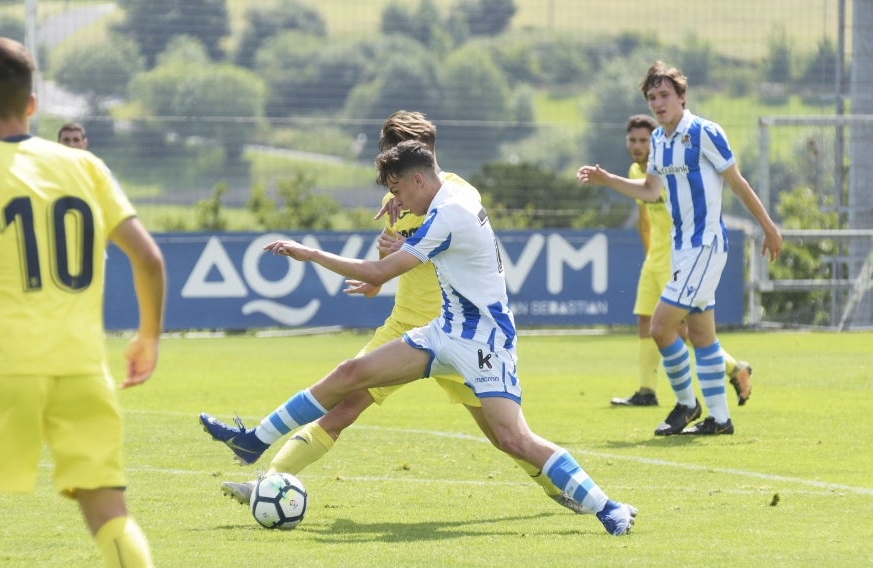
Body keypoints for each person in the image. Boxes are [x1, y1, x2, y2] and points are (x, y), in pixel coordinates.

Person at [201, 140, 637, 536]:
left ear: (418, 179)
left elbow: (379, 271)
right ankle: (254, 440)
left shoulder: (449, 216)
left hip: (484, 342)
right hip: (443, 330)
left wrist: (310, 253)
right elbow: (408, 229)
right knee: (350, 374)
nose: (398, 201)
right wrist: (402, 204)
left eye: (399, 191)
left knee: (511, 438)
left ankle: (608, 506)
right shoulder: (451, 195)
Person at [0, 38, 166, 566]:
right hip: (81, 369)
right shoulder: (86, 168)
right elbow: (148, 259)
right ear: (32, 104)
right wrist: (148, 337)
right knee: (110, 516)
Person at [578, 61, 782, 435]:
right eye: (652, 97)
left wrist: (768, 227)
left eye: (664, 95)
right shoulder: (658, 140)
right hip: (681, 249)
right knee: (702, 336)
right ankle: (719, 419)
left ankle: (687, 404)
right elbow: (649, 191)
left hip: (706, 245)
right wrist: (608, 180)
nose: (658, 103)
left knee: (660, 326)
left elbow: (737, 182)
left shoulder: (705, 132)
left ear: (682, 97)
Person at [612, 114, 754, 407]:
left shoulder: (667, 170)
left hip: (679, 257)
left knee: (682, 330)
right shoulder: (635, 171)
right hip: (654, 259)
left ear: (654, 142)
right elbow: (644, 218)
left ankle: (733, 369)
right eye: (633, 140)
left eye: (643, 140)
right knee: (645, 321)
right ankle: (646, 391)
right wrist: (649, 254)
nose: (638, 146)